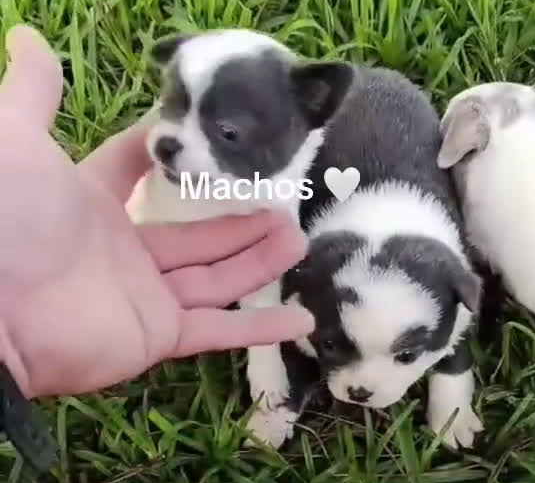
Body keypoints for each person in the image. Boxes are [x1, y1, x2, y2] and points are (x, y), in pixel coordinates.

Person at [0, 26, 314, 401]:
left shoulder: (280, 190)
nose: (171, 139)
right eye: (173, 109)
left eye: (227, 132)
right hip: (138, 236)